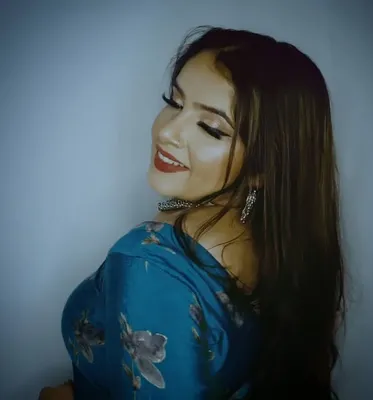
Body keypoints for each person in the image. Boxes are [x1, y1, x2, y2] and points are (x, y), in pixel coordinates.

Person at [39, 25, 345, 399]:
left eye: (211, 128)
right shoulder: (269, 231)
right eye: (174, 102)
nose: (167, 131)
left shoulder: (151, 264)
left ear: (265, 167)